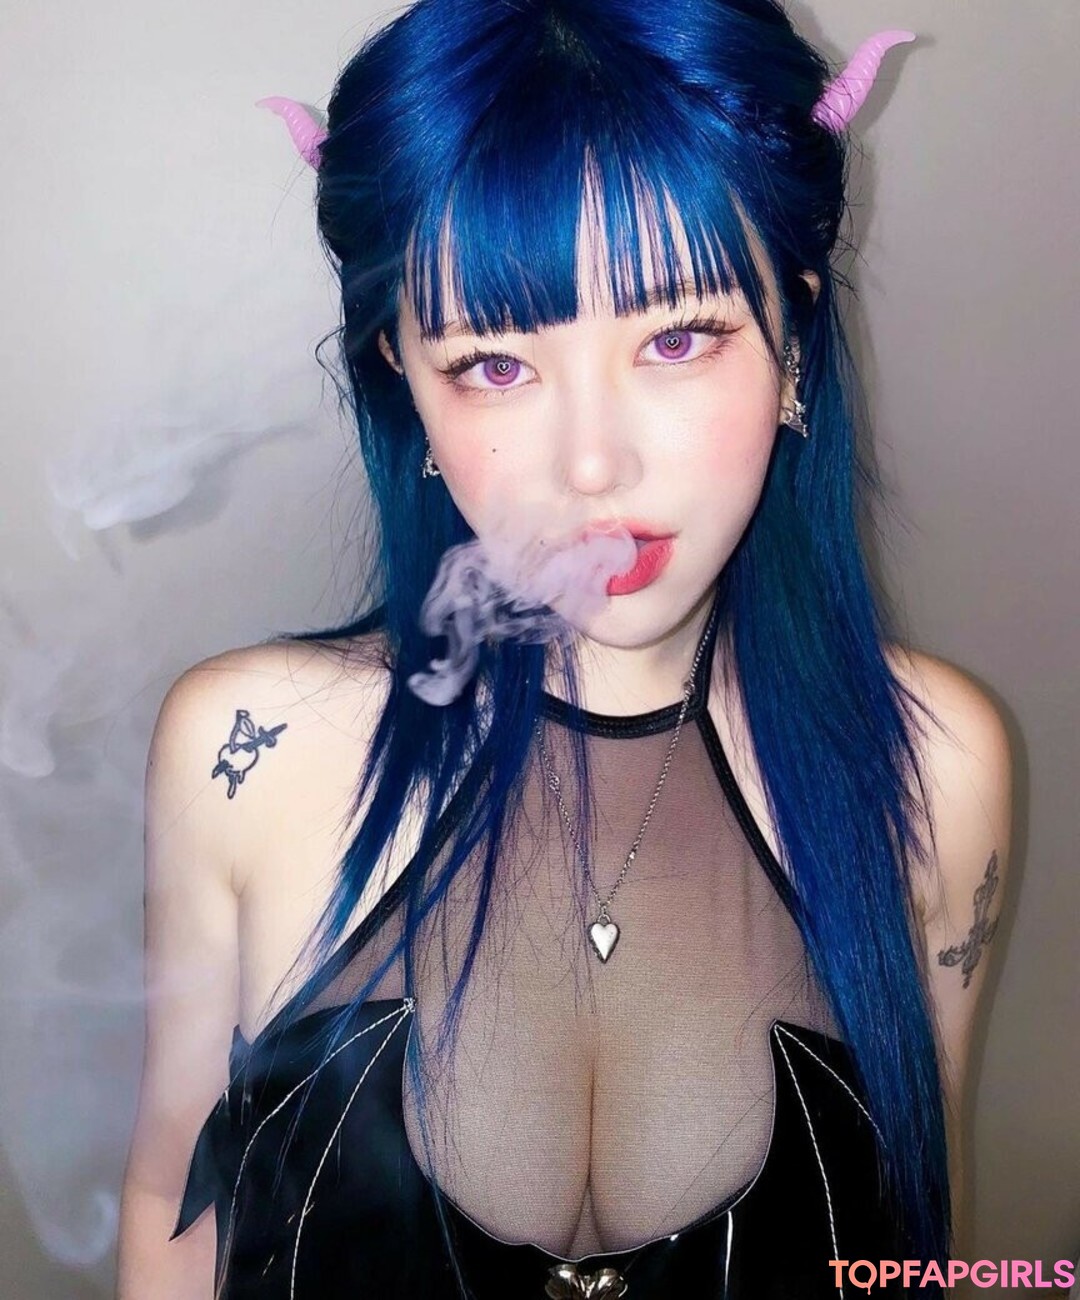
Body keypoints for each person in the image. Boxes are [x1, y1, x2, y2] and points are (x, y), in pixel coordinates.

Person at [116, 2, 1012, 1296]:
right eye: (493, 364)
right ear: (405, 379)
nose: (592, 465)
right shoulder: (243, 755)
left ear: (794, 342)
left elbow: (922, 1234)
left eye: (678, 338)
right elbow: (171, 1194)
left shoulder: (939, 766)